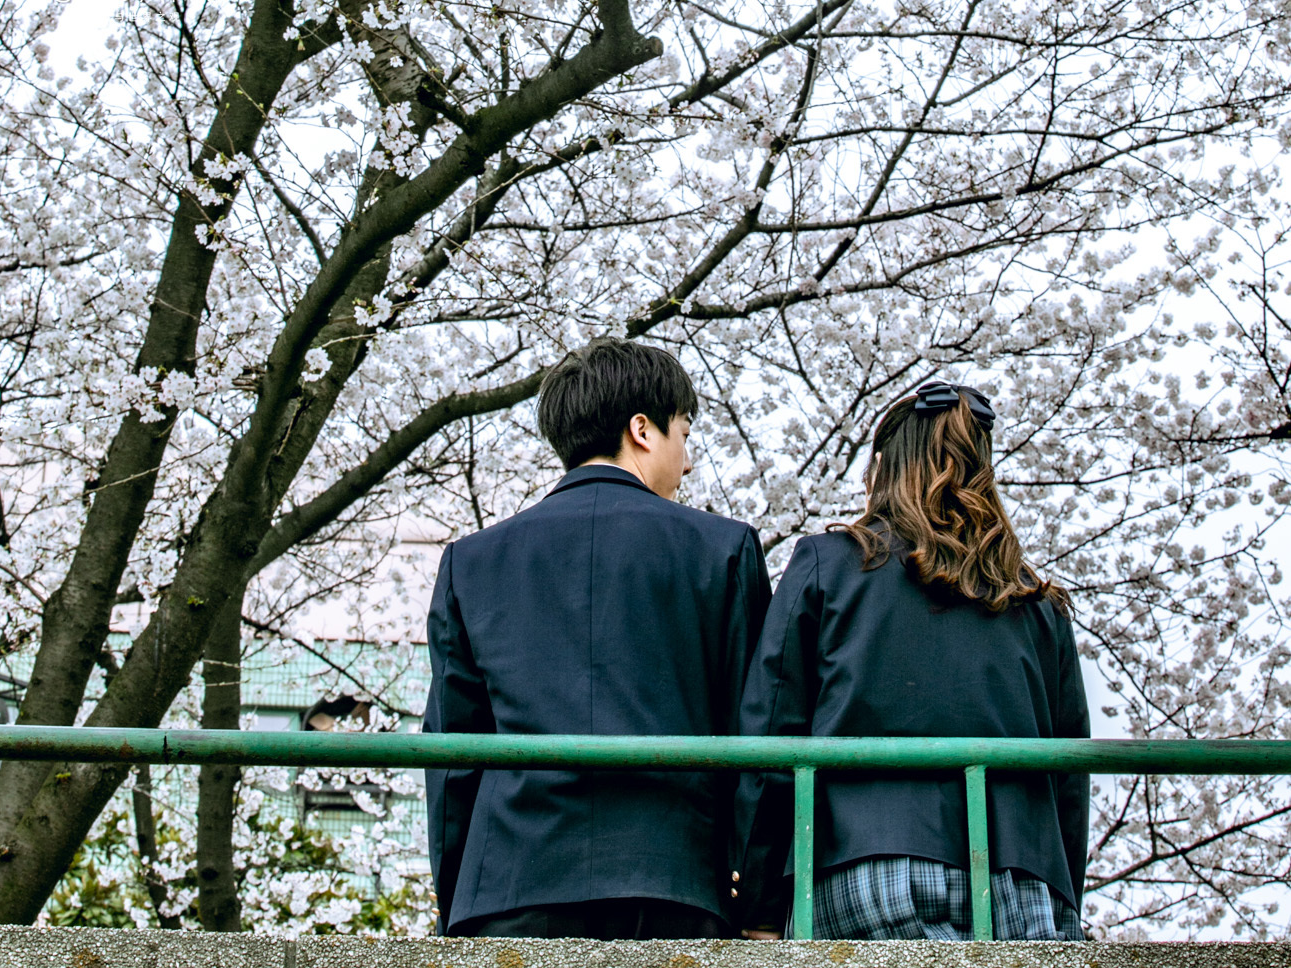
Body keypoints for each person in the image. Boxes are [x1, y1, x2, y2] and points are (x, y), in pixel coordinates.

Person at [424, 337, 772, 940]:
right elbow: (755, 734)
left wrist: (459, 896)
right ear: (643, 429)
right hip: (673, 880)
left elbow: (452, 755)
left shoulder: (471, 562)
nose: (687, 462)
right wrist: (760, 902)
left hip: (510, 884)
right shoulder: (723, 550)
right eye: (683, 435)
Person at [735, 381, 1089, 943]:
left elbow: (774, 735)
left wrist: (758, 903)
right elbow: (1069, 775)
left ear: (879, 467)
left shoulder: (831, 567)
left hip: (863, 859)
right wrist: (1064, 896)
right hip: (1020, 880)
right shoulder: (1036, 603)